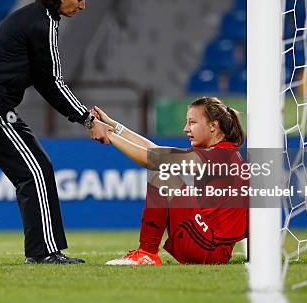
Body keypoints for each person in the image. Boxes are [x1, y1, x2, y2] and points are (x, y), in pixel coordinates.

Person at [0, 0, 111, 264]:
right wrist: (88, 120)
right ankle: (43, 254)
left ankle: (44, 251)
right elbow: (52, 82)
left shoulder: (41, 17)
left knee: (39, 167)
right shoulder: (42, 24)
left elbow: (45, 80)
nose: (83, 5)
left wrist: (84, 116)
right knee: (34, 172)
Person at [91, 97, 248, 265]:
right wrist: (114, 127)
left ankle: (147, 253)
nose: (186, 129)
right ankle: (146, 253)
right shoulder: (223, 153)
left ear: (213, 126)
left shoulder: (218, 156)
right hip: (211, 245)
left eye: (192, 122)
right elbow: (156, 151)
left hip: (208, 248)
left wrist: (108, 134)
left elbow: (153, 159)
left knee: (163, 174)